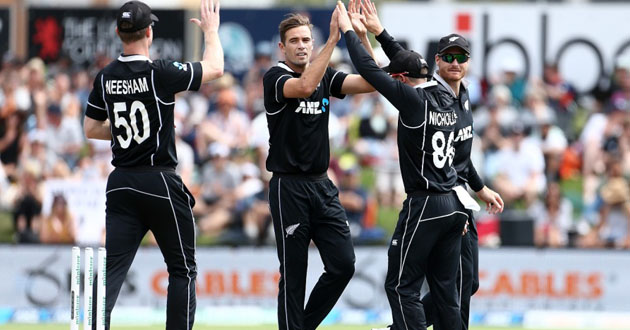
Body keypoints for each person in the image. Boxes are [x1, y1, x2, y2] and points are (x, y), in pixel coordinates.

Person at [82, 0, 223, 329]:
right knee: (182, 269)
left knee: (112, 270)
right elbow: (215, 68)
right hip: (158, 180)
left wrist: (123, 133)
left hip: (120, 183)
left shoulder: (105, 76)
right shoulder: (158, 71)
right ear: (149, 32)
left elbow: (90, 129)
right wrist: (212, 33)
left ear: (119, 33)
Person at [338, 1, 472, 329]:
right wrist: (377, 32)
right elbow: (408, 64)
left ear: (400, 78)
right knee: (445, 291)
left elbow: (370, 72)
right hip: (456, 204)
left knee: (400, 286)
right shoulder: (455, 99)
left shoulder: (413, 100)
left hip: (426, 202)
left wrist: (349, 33)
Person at [262, 2, 376, 329]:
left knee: (343, 264)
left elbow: (370, 82)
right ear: (282, 47)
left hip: (322, 185)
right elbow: (304, 87)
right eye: (294, 41)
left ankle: (302, 326)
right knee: (294, 275)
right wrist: (333, 40)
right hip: (289, 187)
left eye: (306, 40)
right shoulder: (275, 77)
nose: (301, 46)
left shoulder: (325, 73)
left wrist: (362, 36)